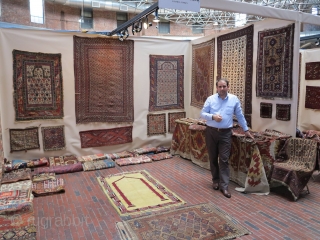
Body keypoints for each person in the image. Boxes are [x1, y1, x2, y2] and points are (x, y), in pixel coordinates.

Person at [200, 78, 253, 198]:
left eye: (224, 86)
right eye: (220, 87)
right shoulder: (211, 99)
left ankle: (224, 186)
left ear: (228, 87)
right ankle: (215, 180)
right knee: (213, 158)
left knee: (224, 159)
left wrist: (246, 130)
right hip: (211, 132)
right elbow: (202, 114)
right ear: (217, 88)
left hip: (225, 133)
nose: (222, 89)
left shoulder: (234, 99)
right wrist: (213, 117)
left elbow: (240, 115)